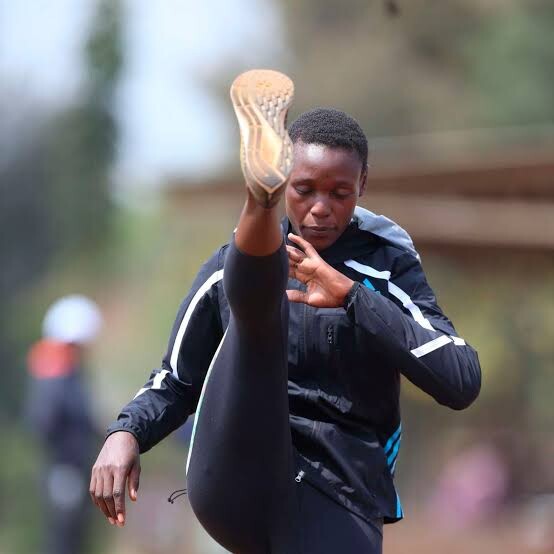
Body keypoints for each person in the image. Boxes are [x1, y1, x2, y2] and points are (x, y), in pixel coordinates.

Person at [90, 69, 481, 553]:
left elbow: (460, 378)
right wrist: (125, 433)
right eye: (303, 189)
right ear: (286, 179)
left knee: (258, 299)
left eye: (340, 193)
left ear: (363, 183)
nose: (321, 208)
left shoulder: (386, 267)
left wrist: (352, 296)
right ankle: (259, 199)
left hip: (340, 489)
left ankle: (261, 204)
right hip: (237, 471)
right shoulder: (226, 269)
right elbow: (177, 380)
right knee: (257, 318)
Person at [26, 294, 102, 554]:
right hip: (65, 469)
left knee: (75, 537)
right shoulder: (55, 378)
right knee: (64, 539)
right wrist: (67, 460)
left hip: (75, 469)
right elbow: (45, 423)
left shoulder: (70, 375)